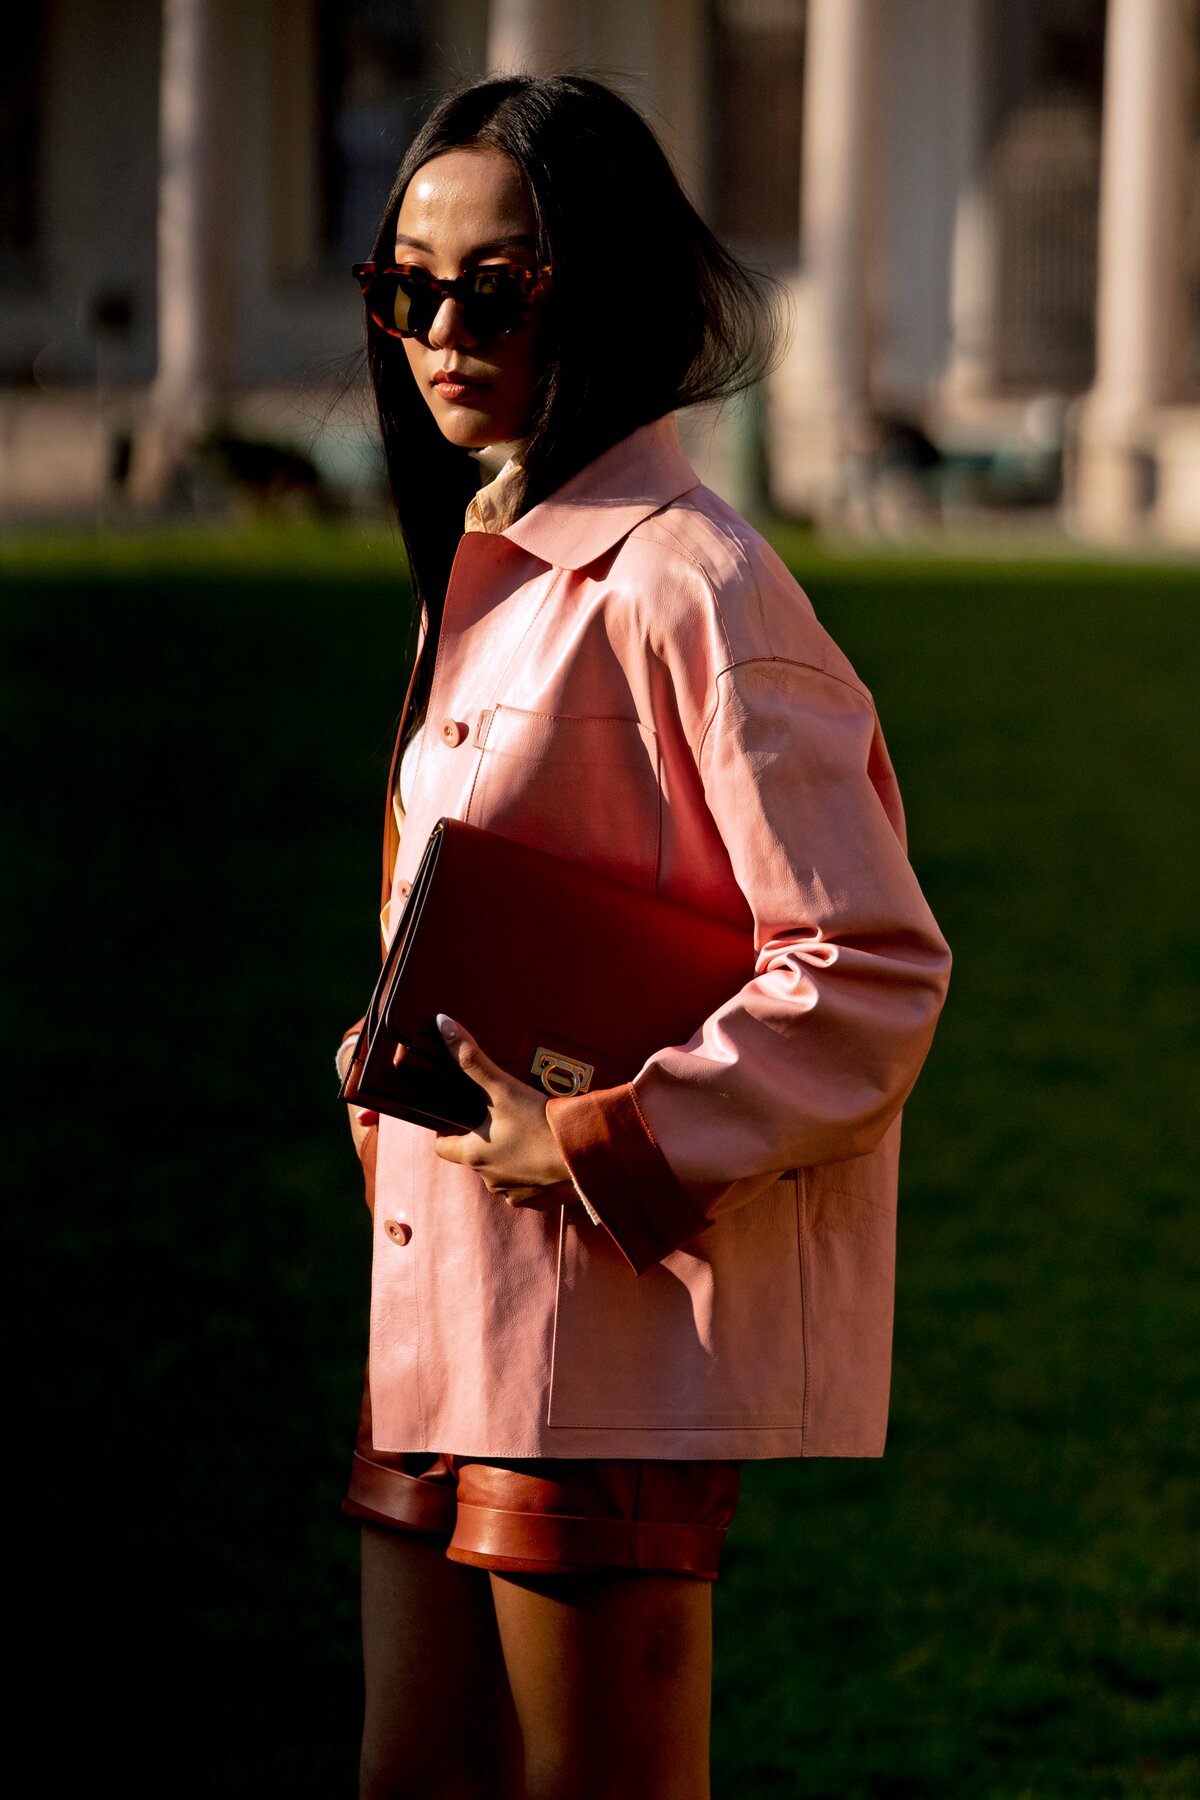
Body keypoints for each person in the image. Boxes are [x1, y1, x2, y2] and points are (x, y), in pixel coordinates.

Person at [335, 73, 951, 1800]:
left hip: (597, 1345)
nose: (441, 330)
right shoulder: (489, 555)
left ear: (596, 287)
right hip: (431, 1308)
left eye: (497, 286)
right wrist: (391, 1039)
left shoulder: (696, 583)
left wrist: (611, 1134)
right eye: (407, 287)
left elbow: (869, 966)